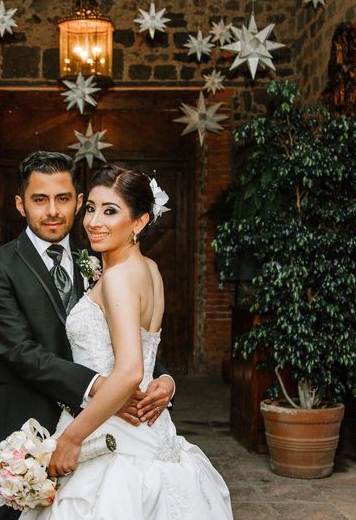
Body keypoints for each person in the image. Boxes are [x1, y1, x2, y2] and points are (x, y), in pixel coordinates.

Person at [21, 165, 233, 520]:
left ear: (139, 222)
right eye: (90, 208)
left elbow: (131, 370)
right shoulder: (149, 269)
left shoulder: (118, 278)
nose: (93, 221)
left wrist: (71, 439)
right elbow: (146, 355)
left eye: (110, 211)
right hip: (151, 428)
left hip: (113, 435)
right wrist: (165, 379)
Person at [0, 152, 177, 520]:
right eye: (40, 199)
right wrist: (101, 386)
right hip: (29, 429)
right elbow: (19, 350)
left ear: (78, 201)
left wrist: (163, 378)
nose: (53, 211)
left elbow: (126, 334)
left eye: (64, 199)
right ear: (21, 205)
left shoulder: (102, 252)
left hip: (109, 433)